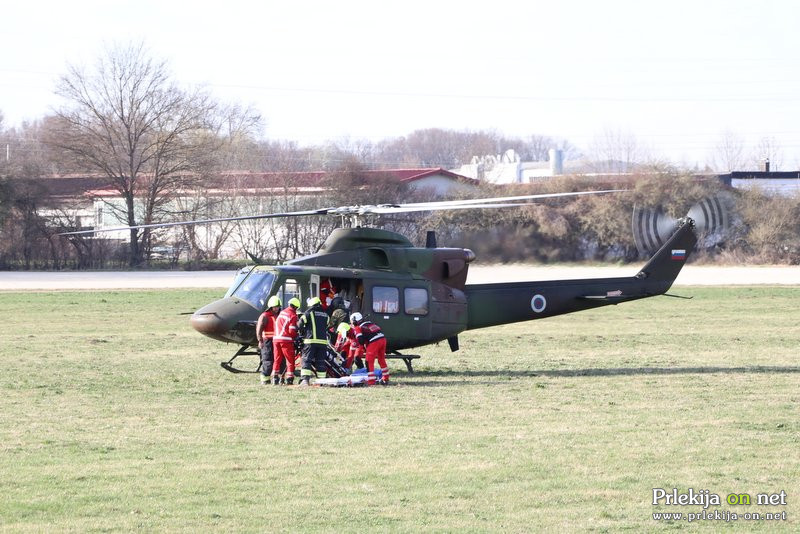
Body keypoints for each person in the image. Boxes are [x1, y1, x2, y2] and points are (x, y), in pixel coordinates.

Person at [297, 296, 330, 386]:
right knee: (320, 361)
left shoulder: (308, 313)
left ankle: (305, 380)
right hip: (323, 343)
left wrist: (301, 331)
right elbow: (327, 325)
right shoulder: (325, 314)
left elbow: (300, 323)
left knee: (306, 360)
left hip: (310, 341)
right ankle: (322, 381)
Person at [350, 312, 389, 385]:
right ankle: (385, 378)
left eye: (352, 322)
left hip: (374, 341)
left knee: (368, 361)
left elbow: (361, 341)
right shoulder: (369, 323)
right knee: (381, 360)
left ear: (355, 321)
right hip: (383, 339)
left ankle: (371, 381)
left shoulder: (358, 327)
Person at [272, 297, 301, 385]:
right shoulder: (292, 315)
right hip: (286, 340)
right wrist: (297, 336)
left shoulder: (281, 313)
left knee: (277, 359)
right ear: (295, 307)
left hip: (276, 339)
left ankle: (275, 378)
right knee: (290, 360)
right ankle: (289, 379)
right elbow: (291, 331)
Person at [255, 295, 282, 385]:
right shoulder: (264, 316)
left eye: (278, 307)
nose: (276, 309)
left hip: (277, 341)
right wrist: (260, 340)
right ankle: (265, 379)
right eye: (275, 307)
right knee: (267, 360)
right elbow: (259, 329)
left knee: (278, 360)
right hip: (267, 341)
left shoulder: (280, 315)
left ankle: (276, 377)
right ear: (270, 307)